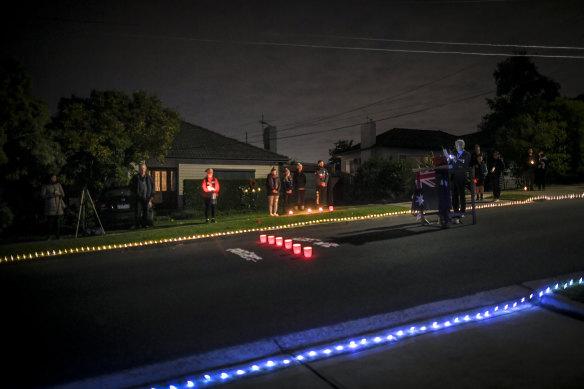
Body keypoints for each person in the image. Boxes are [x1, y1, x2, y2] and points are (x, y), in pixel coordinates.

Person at [447, 139, 471, 224]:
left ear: (462, 146)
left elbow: (464, 164)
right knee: (454, 195)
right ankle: (456, 211)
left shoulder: (467, 154)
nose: (456, 147)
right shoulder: (453, 153)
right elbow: (449, 163)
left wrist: (455, 160)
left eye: (457, 145)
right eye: (455, 145)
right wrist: (449, 159)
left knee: (462, 195)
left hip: (461, 176)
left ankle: (463, 211)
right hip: (454, 176)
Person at [129, 163, 155, 228]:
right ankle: (137, 225)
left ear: (145, 169)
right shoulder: (135, 178)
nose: (142, 170)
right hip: (138, 198)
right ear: (139, 169)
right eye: (141, 168)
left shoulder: (149, 178)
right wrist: (134, 194)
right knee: (137, 212)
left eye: (143, 168)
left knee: (145, 212)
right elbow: (131, 186)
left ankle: (144, 225)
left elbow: (153, 188)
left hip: (146, 198)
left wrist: (151, 197)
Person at [41, 174, 65, 240]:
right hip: (50, 207)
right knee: (50, 222)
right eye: (53, 177)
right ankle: (48, 236)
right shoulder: (46, 186)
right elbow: (42, 195)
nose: (55, 178)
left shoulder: (58, 185)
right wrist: (51, 195)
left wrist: (59, 194)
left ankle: (58, 235)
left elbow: (63, 193)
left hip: (58, 206)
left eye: (55, 177)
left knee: (57, 223)